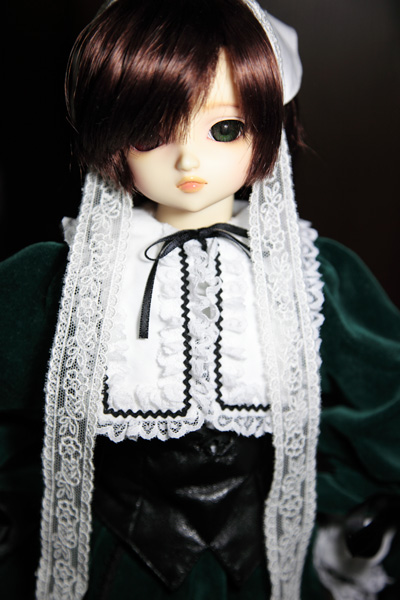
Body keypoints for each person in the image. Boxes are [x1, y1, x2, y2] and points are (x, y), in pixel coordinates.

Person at [0, 0, 399, 598]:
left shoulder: (312, 274)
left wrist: (337, 499)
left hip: (265, 557)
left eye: (225, 129)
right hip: (120, 560)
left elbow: (384, 400)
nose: (188, 160)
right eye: (151, 133)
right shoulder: (64, 274)